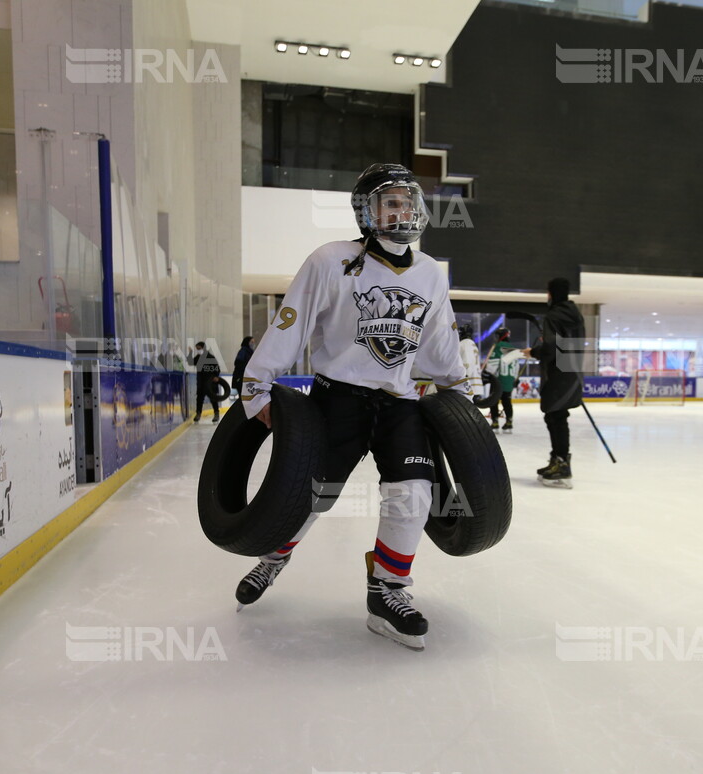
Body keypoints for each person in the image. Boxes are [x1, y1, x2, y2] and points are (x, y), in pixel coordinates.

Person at [233, 163, 474, 650]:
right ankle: (274, 555)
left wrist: (460, 397)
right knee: (314, 495)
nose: (401, 209)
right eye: (389, 201)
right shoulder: (331, 260)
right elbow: (291, 325)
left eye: (407, 200)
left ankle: (387, 591)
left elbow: (439, 340)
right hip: (337, 398)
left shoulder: (430, 273)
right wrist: (257, 386)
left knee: (415, 495)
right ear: (367, 212)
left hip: (400, 402)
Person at [526, 277, 584, 487]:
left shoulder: (553, 316)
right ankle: (558, 460)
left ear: (552, 293)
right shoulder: (576, 315)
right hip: (573, 372)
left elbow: (550, 348)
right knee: (558, 416)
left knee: (555, 418)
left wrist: (533, 352)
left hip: (558, 374)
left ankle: (561, 464)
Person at [484, 327, 525, 432]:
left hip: (498, 381)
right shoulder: (514, 349)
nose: (496, 338)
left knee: (493, 401)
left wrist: (487, 374)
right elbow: (516, 367)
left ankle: (495, 421)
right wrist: (515, 379)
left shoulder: (498, 347)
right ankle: (509, 422)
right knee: (507, 402)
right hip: (508, 382)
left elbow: (492, 365)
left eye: (498, 335)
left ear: (502, 336)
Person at [191, 341, 223, 422]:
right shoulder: (198, 358)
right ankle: (198, 413)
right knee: (199, 399)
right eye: (197, 349)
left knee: (213, 399)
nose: (198, 350)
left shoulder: (210, 357)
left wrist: (216, 376)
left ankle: (216, 413)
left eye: (199, 349)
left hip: (210, 383)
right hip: (201, 383)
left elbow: (217, 368)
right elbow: (191, 362)